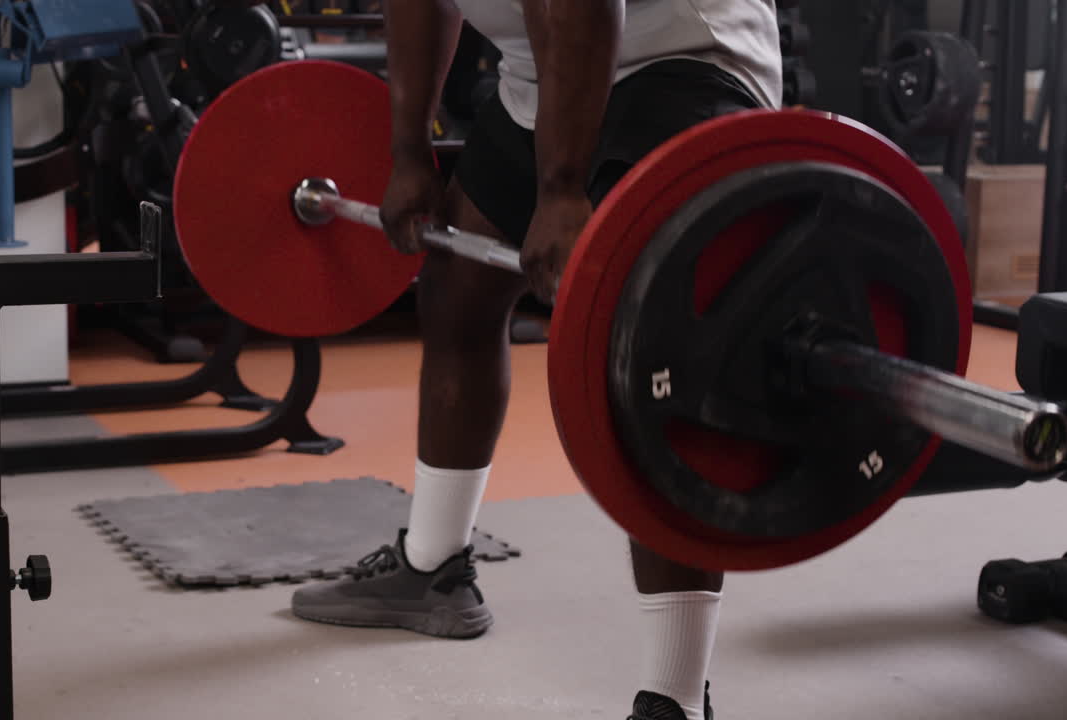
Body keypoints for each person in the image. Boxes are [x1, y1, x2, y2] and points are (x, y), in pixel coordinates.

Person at [291, 2, 782, 718]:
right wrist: (407, 154)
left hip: (683, 61)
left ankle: (674, 697)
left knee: (651, 352)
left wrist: (560, 191)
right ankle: (433, 566)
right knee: (457, 293)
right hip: (538, 77)